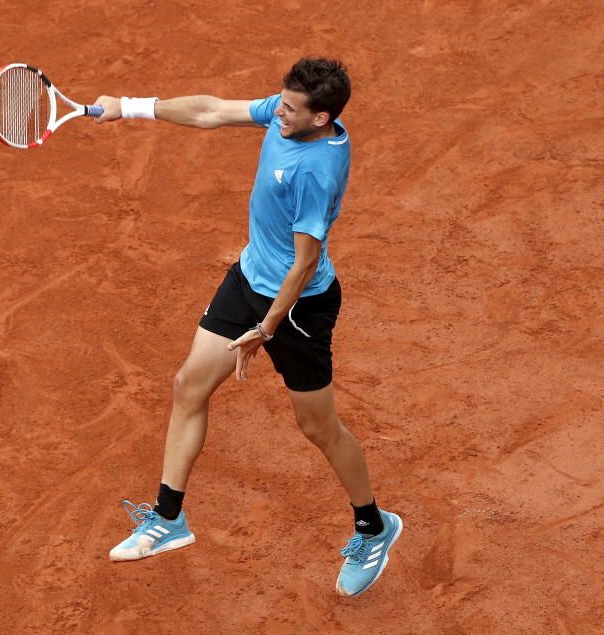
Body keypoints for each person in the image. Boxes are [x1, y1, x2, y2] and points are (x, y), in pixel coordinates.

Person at [92, 58, 401, 598]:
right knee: (189, 384)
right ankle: (168, 519)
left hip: (298, 307)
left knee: (318, 428)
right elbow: (212, 111)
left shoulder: (314, 170)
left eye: (289, 108)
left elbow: (305, 263)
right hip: (249, 279)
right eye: (279, 102)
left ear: (321, 116)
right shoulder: (290, 117)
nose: (276, 110)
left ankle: (373, 526)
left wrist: (266, 328)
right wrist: (131, 107)